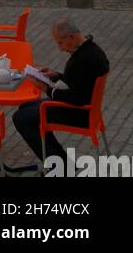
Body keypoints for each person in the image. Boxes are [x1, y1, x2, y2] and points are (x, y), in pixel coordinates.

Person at [9, 17, 110, 172]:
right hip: (87, 109)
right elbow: (79, 82)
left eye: (60, 43)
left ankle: (60, 169)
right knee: (25, 107)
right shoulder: (90, 50)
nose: (60, 48)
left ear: (71, 37)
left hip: (80, 113)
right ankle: (63, 163)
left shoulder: (83, 58)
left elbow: (76, 98)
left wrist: (47, 89)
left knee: (21, 118)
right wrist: (55, 75)